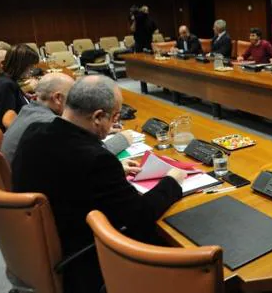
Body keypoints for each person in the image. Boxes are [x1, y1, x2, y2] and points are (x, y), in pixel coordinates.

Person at [12, 75, 186, 293]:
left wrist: (114, 169)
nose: (115, 123)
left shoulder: (34, 132)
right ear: (98, 117)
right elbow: (139, 215)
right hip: (82, 260)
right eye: (114, 117)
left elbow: (68, 174)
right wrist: (172, 181)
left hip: (34, 250)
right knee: (166, 236)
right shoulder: (96, 160)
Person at [1, 73, 133, 163]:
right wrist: (123, 139)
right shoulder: (47, 125)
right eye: (73, 96)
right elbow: (90, 155)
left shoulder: (29, 110)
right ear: (58, 98)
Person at [0, 44, 39, 130]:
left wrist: (24, 97)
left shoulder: (6, 79)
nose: (32, 70)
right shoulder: (6, 85)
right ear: (20, 65)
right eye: (30, 66)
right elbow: (8, 122)